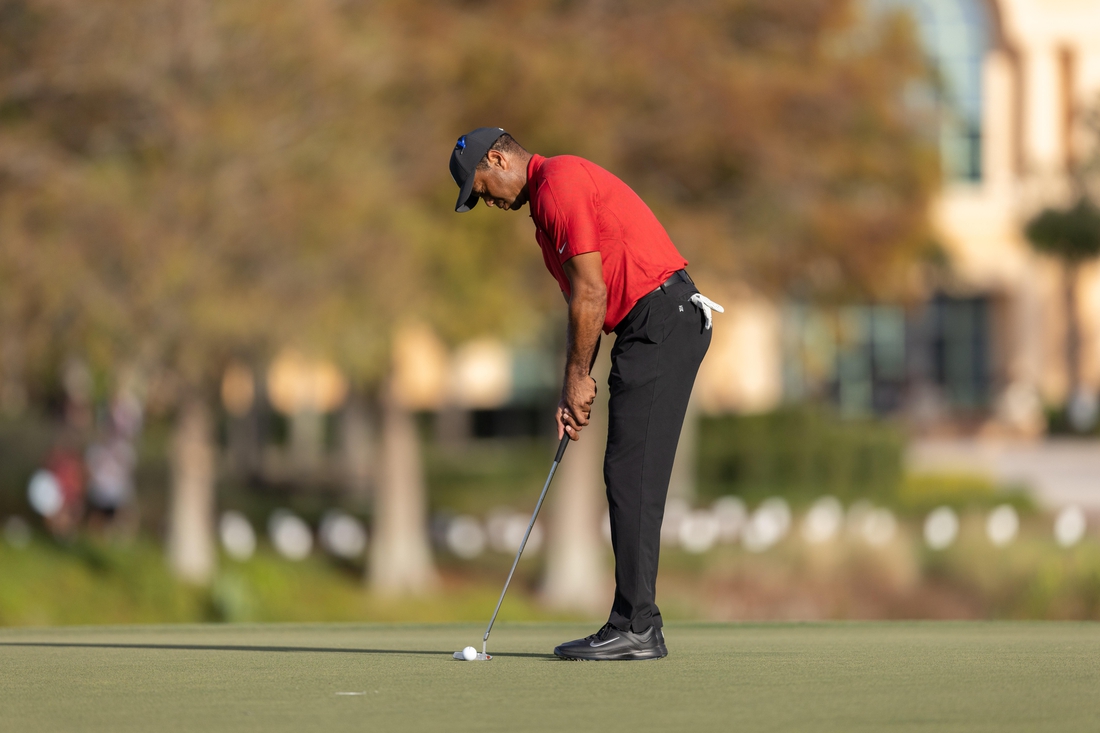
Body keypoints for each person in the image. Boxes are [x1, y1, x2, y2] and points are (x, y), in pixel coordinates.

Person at [449, 127, 722, 660]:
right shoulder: (546, 206)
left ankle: (638, 626)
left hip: (663, 320)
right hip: (649, 327)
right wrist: (577, 381)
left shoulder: (559, 181)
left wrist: (576, 377)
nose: (485, 200)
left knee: (631, 473)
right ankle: (636, 622)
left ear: (499, 158)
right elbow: (588, 303)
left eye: (480, 186)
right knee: (625, 471)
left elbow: (592, 291)